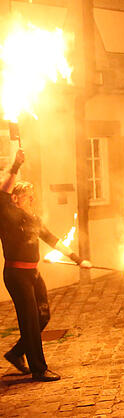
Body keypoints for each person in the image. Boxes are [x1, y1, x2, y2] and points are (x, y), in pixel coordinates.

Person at [1, 150, 91, 381]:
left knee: (42, 316)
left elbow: (52, 239)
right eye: (27, 196)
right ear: (15, 198)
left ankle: (16, 353)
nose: (33, 199)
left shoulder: (33, 219)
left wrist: (78, 259)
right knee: (30, 320)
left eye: (33, 195)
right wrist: (15, 167)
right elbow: (2, 192)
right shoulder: (7, 213)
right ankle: (39, 370)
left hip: (33, 274)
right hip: (17, 275)